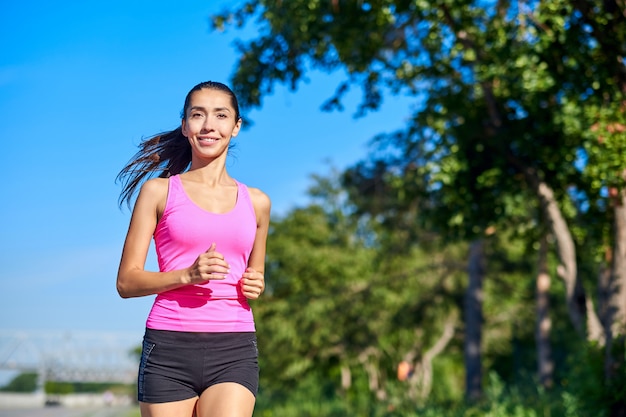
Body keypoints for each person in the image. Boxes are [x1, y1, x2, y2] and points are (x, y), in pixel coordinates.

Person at [116, 81, 271, 417]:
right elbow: (126, 283)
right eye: (198, 115)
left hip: (234, 346)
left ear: (235, 127)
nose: (208, 125)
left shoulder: (257, 203)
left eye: (220, 115)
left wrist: (255, 283)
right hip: (169, 346)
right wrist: (187, 275)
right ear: (185, 126)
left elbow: (254, 275)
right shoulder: (158, 192)